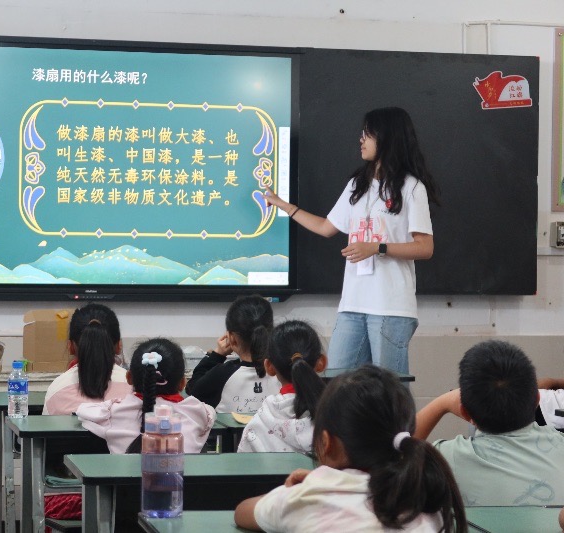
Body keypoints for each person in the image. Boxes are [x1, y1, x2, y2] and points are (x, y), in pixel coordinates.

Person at [264, 107, 438, 374]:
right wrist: (283, 205)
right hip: (352, 304)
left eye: (368, 134)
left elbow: (425, 247)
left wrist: (377, 248)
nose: (361, 139)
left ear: (387, 137)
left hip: (390, 307)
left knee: (388, 389)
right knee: (336, 381)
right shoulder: (358, 184)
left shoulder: (412, 187)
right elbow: (326, 227)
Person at [234, 365, 465, 532]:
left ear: (326, 443)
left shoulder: (310, 497)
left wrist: (298, 490)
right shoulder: (425, 497)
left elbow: (242, 512)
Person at [415, 340, 564, 506]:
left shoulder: (445, 459)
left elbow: (396, 458)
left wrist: (441, 404)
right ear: (537, 400)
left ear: (465, 412)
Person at [76, 337, 216, 454]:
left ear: (129, 378)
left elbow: (83, 410)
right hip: (180, 480)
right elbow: (210, 411)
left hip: (126, 481)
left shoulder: (113, 412)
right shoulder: (196, 412)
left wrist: (113, 403)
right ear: (182, 383)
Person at [237, 320, 326, 453]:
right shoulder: (339, 415)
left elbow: (243, 463)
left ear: (269, 366)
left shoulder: (259, 422)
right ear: (321, 363)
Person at [185, 294, 280, 413]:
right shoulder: (284, 371)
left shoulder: (221, 374)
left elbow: (193, 391)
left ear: (231, 338)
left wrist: (217, 356)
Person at [42, 303, 132, 415]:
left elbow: (46, 426)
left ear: (70, 347)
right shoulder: (134, 387)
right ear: (119, 345)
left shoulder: (57, 389)